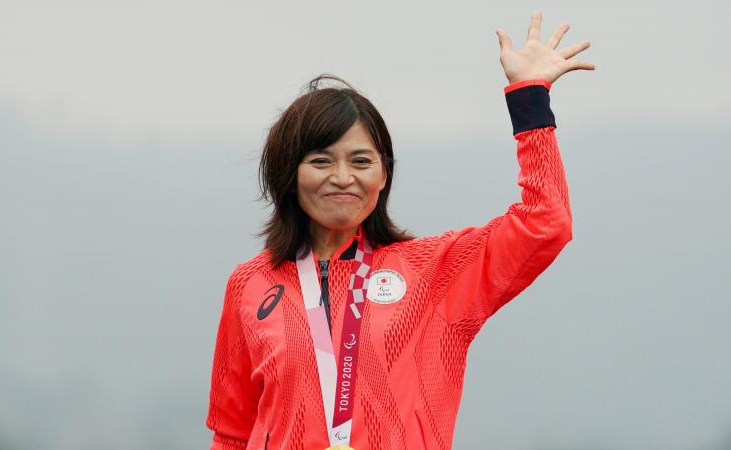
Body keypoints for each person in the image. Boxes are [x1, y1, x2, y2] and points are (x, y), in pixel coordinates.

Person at [206, 11, 594, 450]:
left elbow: (545, 223)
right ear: (288, 174)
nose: (341, 177)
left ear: (384, 175)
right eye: (319, 161)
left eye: (360, 161)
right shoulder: (250, 284)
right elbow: (232, 433)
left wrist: (529, 101)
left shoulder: (436, 272)